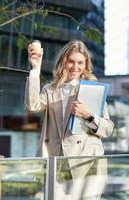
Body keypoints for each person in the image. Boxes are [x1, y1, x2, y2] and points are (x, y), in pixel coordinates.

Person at [25, 40, 114, 199]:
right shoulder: (50, 89)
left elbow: (107, 128)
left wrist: (89, 115)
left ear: (86, 64)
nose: (75, 67)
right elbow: (32, 105)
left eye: (80, 63)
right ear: (63, 62)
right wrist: (35, 68)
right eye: (71, 61)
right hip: (57, 161)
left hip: (87, 162)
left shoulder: (92, 89)